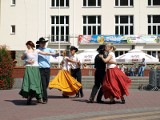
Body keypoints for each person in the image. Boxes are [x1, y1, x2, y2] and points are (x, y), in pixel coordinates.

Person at [19, 41, 55, 105]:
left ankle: (38, 97)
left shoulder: (36, 51)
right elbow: (22, 58)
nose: (27, 46)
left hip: (36, 68)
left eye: (27, 45)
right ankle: (29, 96)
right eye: (27, 45)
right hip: (29, 68)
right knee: (30, 82)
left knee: (36, 82)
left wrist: (53, 54)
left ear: (30, 45)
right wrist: (27, 61)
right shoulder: (26, 52)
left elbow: (45, 53)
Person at [36, 37, 57, 104]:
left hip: (47, 68)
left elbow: (55, 54)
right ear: (39, 43)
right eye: (42, 42)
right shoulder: (37, 50)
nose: (44, 44)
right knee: (43, 84)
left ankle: (39, 96)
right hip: (40, 69)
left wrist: (56, 54)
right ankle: (45, 99)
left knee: (46, 84)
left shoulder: (49, 49)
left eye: (45, 42)